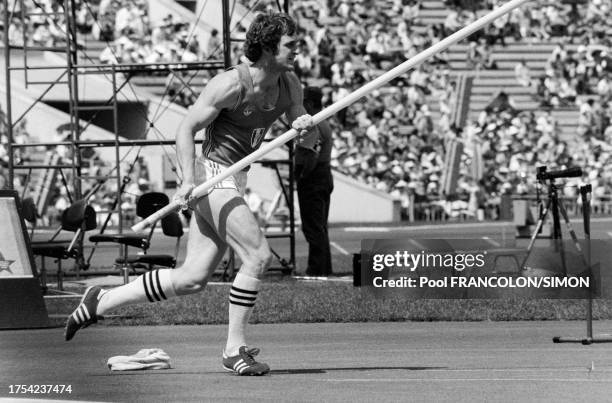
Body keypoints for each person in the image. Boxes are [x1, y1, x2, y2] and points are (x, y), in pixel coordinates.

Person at [64, 12, 314, 376]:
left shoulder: (291, 85)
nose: (297, 50)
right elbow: (185, 128)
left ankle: (102, 300)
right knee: (257, 255)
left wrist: (305, 128)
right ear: (266, 48)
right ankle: (234, 348)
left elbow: (305, 136)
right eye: (290, 45)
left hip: (235, 177)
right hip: (210, 177)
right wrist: (185, 181)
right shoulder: (229, 84)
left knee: (192, 278)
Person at [295, 86, 334, 277]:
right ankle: (323, 267)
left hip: (314, 178)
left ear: (309, 103)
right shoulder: (324, 121)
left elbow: (311, 155)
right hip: (324, 175)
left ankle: (316, 268)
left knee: (313, 227)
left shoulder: (314, 123)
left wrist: (302, 176)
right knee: (320, 225)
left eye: (303, 101)